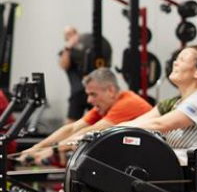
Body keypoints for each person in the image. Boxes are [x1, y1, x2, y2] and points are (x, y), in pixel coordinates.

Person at [122, 45, 197, 192]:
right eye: (176, 59)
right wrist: (100, 134)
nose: (175, 63)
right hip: (178, 177)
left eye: (182, 59)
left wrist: (107, 133)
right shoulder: (173, 103)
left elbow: (159, 125)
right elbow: (137, 123)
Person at [19, 68, 152, 164]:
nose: (89, 100)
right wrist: (36, 148)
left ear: (111, 91)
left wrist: (53, 149)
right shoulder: (105, 106)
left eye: (93, 94)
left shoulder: (128, 103)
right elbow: (72, 128)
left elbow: (91, 131)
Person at [58, 26, 89, 124]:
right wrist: (68, 47)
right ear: (65, 38)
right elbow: (64, 66)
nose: (71, 36)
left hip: (92, 91)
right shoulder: (66, 52)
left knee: (99, 121)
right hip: (77, 92)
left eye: (73, 33)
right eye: (68, 34)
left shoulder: (87, 49)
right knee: (71, 123)